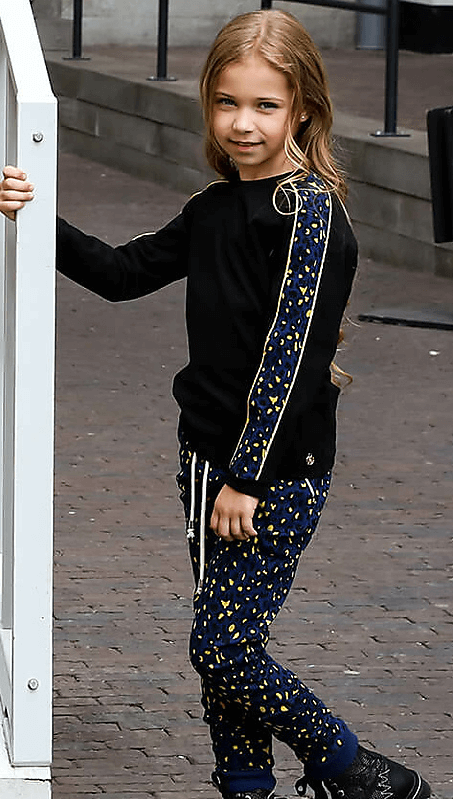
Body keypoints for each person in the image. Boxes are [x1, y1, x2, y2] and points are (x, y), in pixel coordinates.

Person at [0, 10, 431, 799]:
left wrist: (246, 478)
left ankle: (357, 769)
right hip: (204, 457)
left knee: (222, 646)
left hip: (271, 471)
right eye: (227, 102)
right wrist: (34, 214)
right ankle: (245, 783)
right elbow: (121, 273)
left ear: (303, 109)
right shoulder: (213, 207)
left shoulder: (309, 215)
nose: (242, 123)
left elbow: (290, 362)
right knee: (227, 637)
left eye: (265, 105)